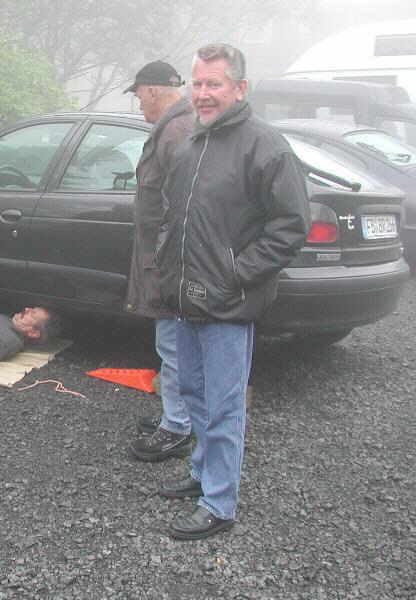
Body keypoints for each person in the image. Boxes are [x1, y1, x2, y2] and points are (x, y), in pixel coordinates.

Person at [154, 43, 309, 540]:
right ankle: (203, 472)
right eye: (197, 83)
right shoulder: (191, 145)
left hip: (227, 302)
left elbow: (290, 226)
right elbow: (173, 217)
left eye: (214, 84)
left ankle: (219, 503)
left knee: (223, 407)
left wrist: (236, 273)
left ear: (240, 88)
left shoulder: (266, 147)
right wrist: (166, 265)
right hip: (185, 298)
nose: (203, 93)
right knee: (193, 393)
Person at [122, 60, 195, 463]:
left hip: (171, 262)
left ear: (151, 90)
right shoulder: (175, 127)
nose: (138, 104)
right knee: (175, 344)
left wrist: (167, 259)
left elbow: (184, 207)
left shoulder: (178, 131)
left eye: (138, 95)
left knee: (174, 346)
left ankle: (177, 427)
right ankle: (177, 414)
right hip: (168, 257)